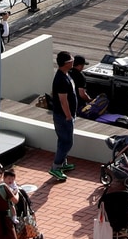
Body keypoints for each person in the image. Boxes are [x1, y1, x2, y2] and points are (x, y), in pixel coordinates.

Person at [49, 50, 77, 181]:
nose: (73, 61)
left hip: (66, 115)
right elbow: (63, 100)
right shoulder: (61, 79)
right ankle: (56, 167)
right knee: (66, 142)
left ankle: (63, 164)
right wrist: (68, 115)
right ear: (66, 63)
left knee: (64, 140)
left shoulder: (65, 75)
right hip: (63, 117)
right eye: (71, 60)